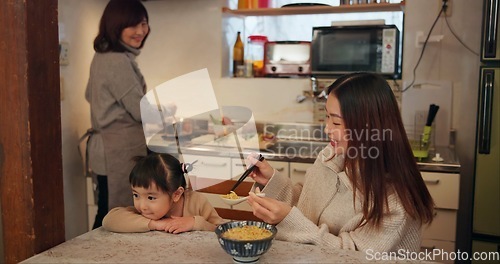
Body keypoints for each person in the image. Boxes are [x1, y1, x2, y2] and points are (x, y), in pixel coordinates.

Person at [246, 72, 434, 253]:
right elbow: (308, 208)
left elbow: (352, 255)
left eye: (336, 122)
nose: (327, 129)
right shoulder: (332, 154)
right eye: (327, 117)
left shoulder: (397, 200)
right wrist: (272, 181)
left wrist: (288, 220)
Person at [85, 0, 150, 229]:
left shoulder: (104, 55)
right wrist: (166, 111)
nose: (141, 31)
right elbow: (140, 109)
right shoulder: (115, 60)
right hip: (116, 152)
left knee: (107, 212)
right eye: (133, 25)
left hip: (109, 149)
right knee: (114, 216)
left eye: (143, 23)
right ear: (115, 26)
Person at [102, 153, 226, 233]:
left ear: (176, 194)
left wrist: (196, 222)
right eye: (136, 195)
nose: (142, 206)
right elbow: (109, 220)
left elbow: (224, 231)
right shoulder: (145, 212)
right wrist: (156, 224)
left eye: (151, 197)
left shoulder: (197, 202)